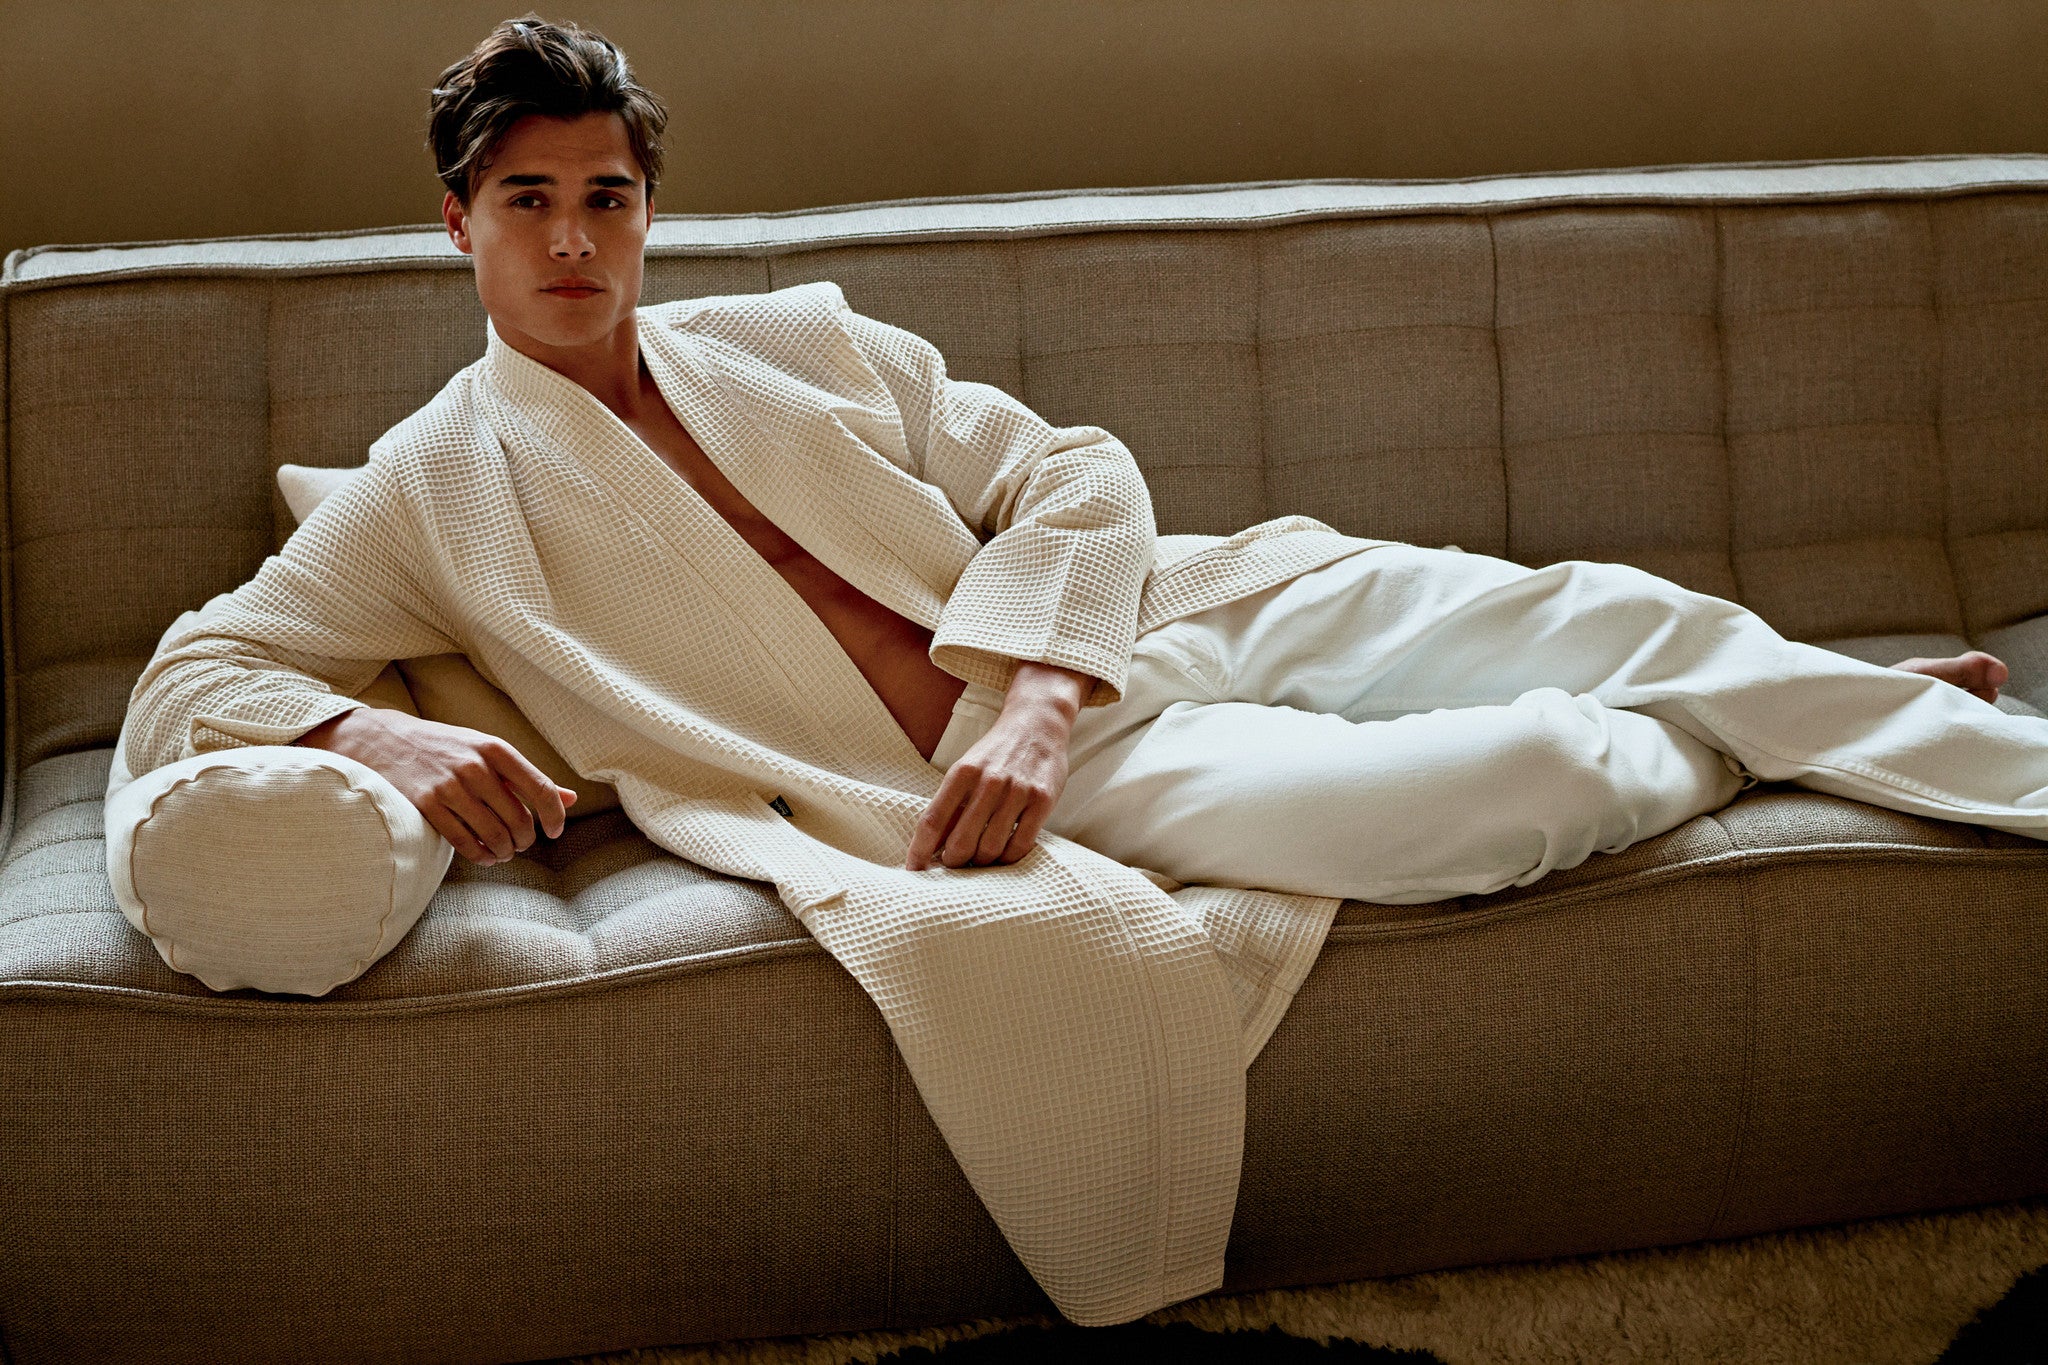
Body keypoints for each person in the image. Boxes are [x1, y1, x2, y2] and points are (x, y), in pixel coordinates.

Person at [114, 14, 2048, 1323]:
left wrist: (1048, 688)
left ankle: (1906, 724)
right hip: (976, 783)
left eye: (604, 196)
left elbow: (1074, 469)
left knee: (1594, 606)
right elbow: (201, 669)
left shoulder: (796, 338)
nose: (570, 241)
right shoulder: (427, 489)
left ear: (648, 212)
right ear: (457, 222)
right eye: (526, 201)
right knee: (1495, 799)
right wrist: (372, 729)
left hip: (1143, 632)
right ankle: (1764, 738)